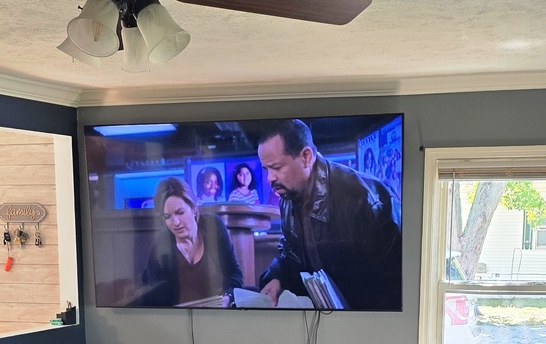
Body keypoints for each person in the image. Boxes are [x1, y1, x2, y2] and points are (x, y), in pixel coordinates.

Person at [256, 119, 400, 310]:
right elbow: (290, 251)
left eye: (277, 167)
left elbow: (398, 281)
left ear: (307, 156)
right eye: (266, 169)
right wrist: (277, 277)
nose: (269, 178)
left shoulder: (366, 198)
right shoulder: (288, 198)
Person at [138, 177, 243, 306]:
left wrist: (228, 297)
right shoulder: (162, 244)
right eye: (168, 216)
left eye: (180, 212)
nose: (175, 222)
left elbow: (234, 274)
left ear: (194, 209)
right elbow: (153, 298)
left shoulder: (214, 227)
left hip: (217, 314)